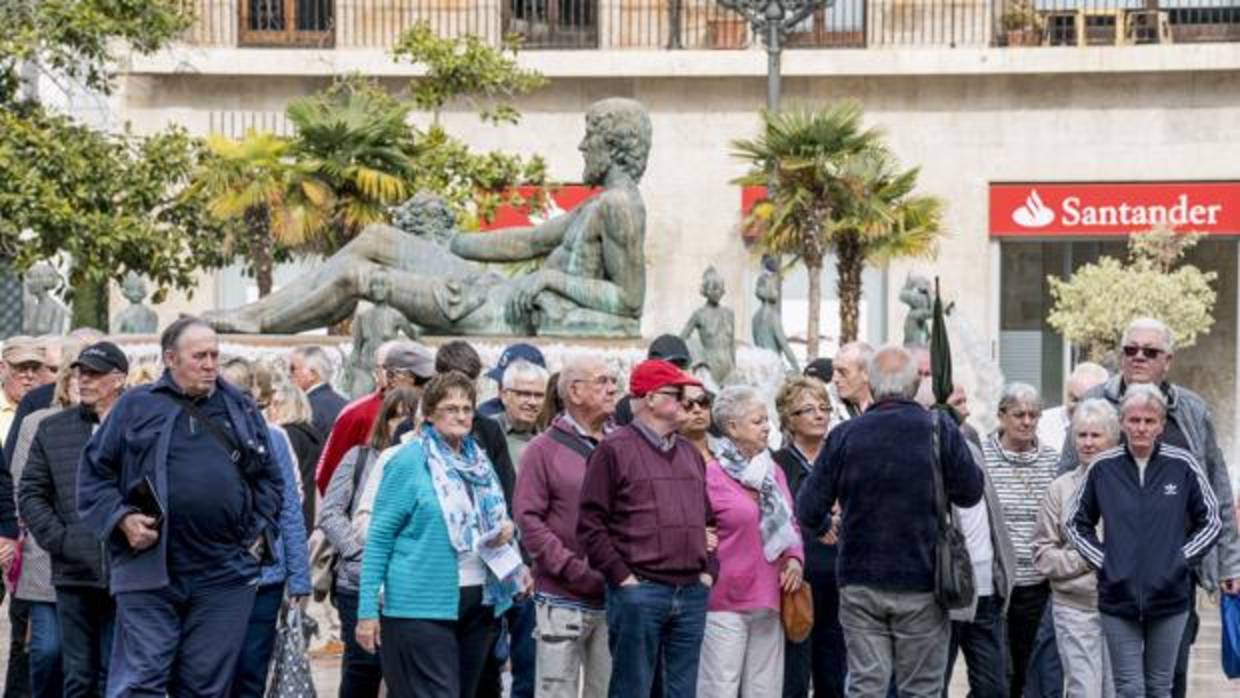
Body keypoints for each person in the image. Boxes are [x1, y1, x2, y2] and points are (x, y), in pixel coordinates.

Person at [76, 317, 285, 696]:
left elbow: (270, 479)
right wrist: (121, 519)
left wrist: (252, 535)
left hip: (224, 575)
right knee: (141, 683)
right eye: (199, 356)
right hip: (148, 572)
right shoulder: (136, 406)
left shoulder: (240, 408)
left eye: (214, 356)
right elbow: (93, 476)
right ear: (170, 358)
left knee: (206, 686)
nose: (209, 365)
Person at [1058, 318, 1240, 698]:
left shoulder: (1191, 410)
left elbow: (1217, 492)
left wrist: (1221, 562)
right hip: (1112, 581)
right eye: (1130, 350)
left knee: (1168, 679)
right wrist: (1101, 559)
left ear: (1168, 360)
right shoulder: (1094, 404)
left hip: (1174, 579)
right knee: (1117, 682)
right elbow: (1066, 487)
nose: (1138, 357)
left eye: (1150, 351)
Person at [797, 345, 983, 697]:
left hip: (859, 581)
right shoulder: (939, 428)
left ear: (873, 384)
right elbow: (971, 493)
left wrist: (826, 528)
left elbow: (807, 508)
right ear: (915, 385)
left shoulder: (845, 435)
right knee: (921, 689)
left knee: (866, 686)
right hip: (923, 582)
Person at [356, 371, 526, 698]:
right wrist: (366, 612)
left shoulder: (479, 460)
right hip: (419, 605)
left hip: (479, 600)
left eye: (467, 408)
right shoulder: (408, 461)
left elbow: (493, 516)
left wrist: (508, 532)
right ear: (431, 413)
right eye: (451, 408)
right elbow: (379, 538)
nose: (461, 416)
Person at [1067, 385, 1222, 697]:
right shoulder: (1103, 467)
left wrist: (1178, 560)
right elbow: (1075, 523)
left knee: (1160, 688)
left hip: (1170, 598)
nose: (1141, 427)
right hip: (1117, 598)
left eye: (1149, 421)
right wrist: (1105, 561)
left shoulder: (1183, 465)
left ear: (1161, 425)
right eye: (1134, 420)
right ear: (1122, 422)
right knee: (1129, 689)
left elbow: (1212, 520)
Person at [577, 359, 718, 698]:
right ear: (651, 398)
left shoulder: (689, 453)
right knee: (632, 689)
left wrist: (708, 572)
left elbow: (709, 520)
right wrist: (624, 580)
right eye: (678, 394)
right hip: (640, 592)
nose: (688, 402)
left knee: (681, 692)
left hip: (690, 591)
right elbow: (590, 524)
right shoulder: (613, 449)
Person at [18, 342, 127, 698]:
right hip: (74, 573)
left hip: (129, 572)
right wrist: (60, 540)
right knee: (77, 676)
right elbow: (31, 493)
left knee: (114, 676)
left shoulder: (142, 426)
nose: (84, 380)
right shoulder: (54, 429)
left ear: (119, 379)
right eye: (81, 372)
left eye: (94, 374)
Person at [514, 356, 618, 698]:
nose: (612, 388)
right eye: (602, 381)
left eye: (613, 381)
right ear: (575, 391)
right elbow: (529, 520)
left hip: (616, 596)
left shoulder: (622, 446)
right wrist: (574, 570)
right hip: (561, 599)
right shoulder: (541, 450)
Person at [698, 386, 803, 697]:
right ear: (732, 427)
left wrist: (796, 557)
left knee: (765, 690)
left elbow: (791, 523)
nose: (767, 426)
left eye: (766, 419)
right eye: (758, 421)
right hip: (724, 599)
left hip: (771, 594)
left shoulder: (774, 473)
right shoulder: (711, 475)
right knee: (719, 688)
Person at [319, 387, 421, 698]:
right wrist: (358, 551)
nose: (402, 424)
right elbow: (332, 511)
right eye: (397, 417)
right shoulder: (360, 457)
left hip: (406, 582)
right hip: (359, 579)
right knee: (363, 666)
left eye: (410, 417)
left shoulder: (421, 460)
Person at [220, 358, 313, 698]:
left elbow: (290, 506)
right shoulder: (200, 434)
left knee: (253, 664)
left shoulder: (273, 438)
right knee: (218, 667)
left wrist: (299, 576)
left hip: (265, 571)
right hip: (217, 572)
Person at [1032, 399, 1119, 698]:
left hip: (1123, 610)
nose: (1088, 443)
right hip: (1075, 608)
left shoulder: (1133, 488)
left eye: (1096, 435)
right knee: (1084, 690)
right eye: (1082, 435)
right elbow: (1043, 556)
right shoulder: (1060, 489)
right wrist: (1089, 554)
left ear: (1113, 438)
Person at [8, 349, 81, 698]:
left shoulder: (116, 422)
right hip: (44, 551)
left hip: (95, 559)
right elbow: (21, 484)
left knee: (84, 658)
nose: (85, 383)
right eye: (78, 375)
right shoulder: (37, 422)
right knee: (46, 649)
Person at [980, 382, 1059, 698]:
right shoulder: (981, 456)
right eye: (1019, 415)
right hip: (993, 583)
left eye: (1033, 415)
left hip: (1035, 583)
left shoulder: (1052, 461)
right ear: (1002, 416)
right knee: (994, 670)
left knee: (1027, 668)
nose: (1027, 422)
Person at [772, 376, 846, 698]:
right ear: (790, 419)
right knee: (794, 679)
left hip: (839, 580)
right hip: (796, 584)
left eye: (824, 407)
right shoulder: (777, 465)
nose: (820, 415)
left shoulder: (841, 458)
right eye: (809, 409)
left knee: (834, 679)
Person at [315, 340, 434, 494]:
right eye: (419, 380)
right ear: (392, 376)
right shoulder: (357, 414)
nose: (425, 387)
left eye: (429, 380)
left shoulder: (435, 413)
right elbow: (329, 476)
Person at [268, 379, 324, 532]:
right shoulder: (312, 434)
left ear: (287, 406)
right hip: (309, 512)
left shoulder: (285, 436)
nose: (269, 409)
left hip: (291, 515)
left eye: (275, 404)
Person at [613, 334, 692, 426]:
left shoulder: (695, 400)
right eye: (669, 366)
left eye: (681, 365)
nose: (675, 371)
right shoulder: (629, 405)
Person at [1036, 363, 1108, 457]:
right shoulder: (1041, 425)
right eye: (1074, 400)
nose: (1080, 408)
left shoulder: (1112, 427)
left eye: (1087, 401)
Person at [492, 359, 550, 465]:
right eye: (525, 394)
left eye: (539, 395)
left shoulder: (551, 437)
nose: (533, 402)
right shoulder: (485, 431)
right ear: (505, 396)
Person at [289, 345, 348, 437]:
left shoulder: (305, 409)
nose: (290, 374)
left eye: (293, 368)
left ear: (312, 374)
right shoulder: (345, 404)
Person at [479, 343, 547, 418]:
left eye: (525, 393)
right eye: (501, 383)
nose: (501, 390)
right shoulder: (486, 413)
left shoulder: (551, 417)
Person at [828, 342, 873, 428]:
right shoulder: (825, 403)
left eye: (842, 372)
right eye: (833, 371)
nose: (834, 379)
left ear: (866, 373)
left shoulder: (887, 403)